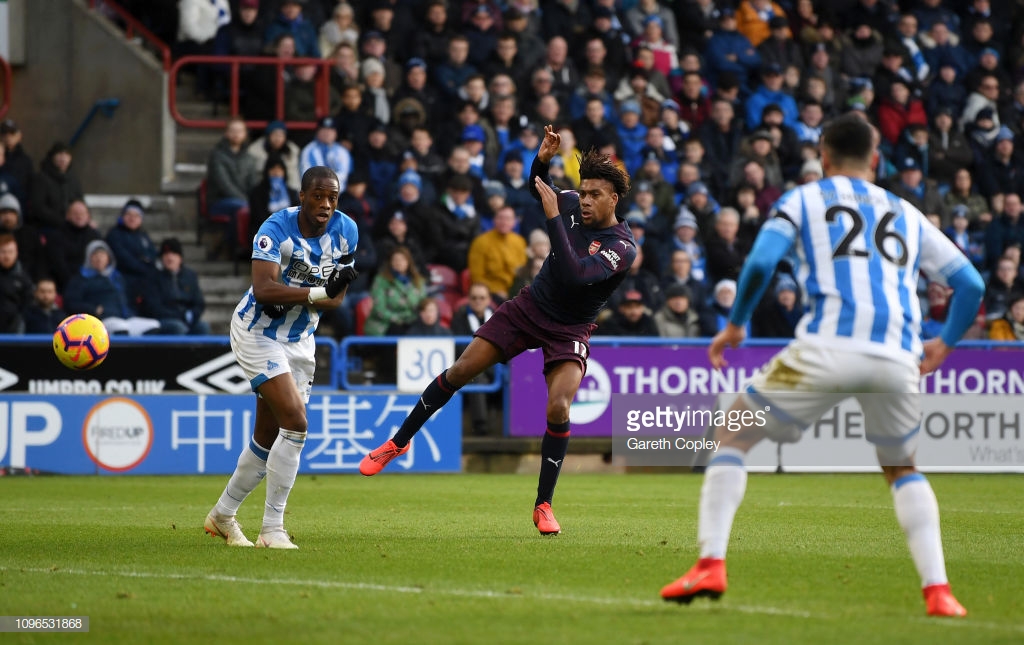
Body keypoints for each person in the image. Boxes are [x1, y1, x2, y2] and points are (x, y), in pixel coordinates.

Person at [660, 114, 984, 618]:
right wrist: (943, 344)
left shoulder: (805, 198)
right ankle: (939, 592)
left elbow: (763, 263)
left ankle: (711, 563)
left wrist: (737, 324)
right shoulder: (907, 212)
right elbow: (972, 285)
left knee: (731, 433)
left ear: (824, 156)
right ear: (875, 159)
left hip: (828, 345)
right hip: (898, 357)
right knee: (901, 468)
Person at [358, 126, 637, 536]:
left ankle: (543, 504)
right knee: (459, 372)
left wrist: (553, 217)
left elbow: (578, 274)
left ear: (614, 198)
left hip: (570, 327)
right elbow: (535, 185)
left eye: (595, 194)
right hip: (528, 308)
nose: (586, 199)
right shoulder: (573, 205)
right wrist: (542, 160)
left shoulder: (621, 246)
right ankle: (398, 442)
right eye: (583, 191)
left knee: (559, 408)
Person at [204, 166, 359, 549]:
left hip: (301, 340)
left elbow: (336, 296)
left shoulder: (347, 231)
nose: (325, 204)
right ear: (302, 196)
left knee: (268, 435)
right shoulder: (275, 229)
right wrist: (316, 295)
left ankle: (222, 516)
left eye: (332, 198)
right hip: (258, 333)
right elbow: (263, 289)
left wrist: (325, 294)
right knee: (296, 422)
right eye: (318, 196)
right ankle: (272, 529)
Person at [63, 240, 165, 336]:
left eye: (102, 255)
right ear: (88, 258)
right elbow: (71, 302)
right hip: (102, 321)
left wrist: (132, 311)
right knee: (121, 328)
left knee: (154, 325)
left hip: (126, 317)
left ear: (108, 258)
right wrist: (93, 309)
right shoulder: (81, 279)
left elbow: (129, 299)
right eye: (95, 255)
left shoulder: (117, 277)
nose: (99, 258)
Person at [140, 238, 212, 335]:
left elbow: (199, 303)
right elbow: (154, 307)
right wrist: (180, 316)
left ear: (180, 257)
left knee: (203, 327)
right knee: (178, 327)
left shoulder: (190, 276)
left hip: (187, 319)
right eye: (166, 254)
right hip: (164, 320)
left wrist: (191, 315)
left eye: (173, 254)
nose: (169, 258)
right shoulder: (153, 277)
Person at [364, 245, 428, 336]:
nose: (398, 263)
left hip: (413, 323)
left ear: (408, 262)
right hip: (386, 325)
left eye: (402, 259)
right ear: (390, 262)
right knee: (398, 331)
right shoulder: (381, 280)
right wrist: (400, 319)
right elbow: (379, 309)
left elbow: (424, 305)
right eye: (395, 260)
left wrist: (412, 318)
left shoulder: (418, 281)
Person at [0, 233, 33, 334]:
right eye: (3, 252)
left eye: (10, 252)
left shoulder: (23, 278)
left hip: (14, 327)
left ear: (16, 252)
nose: (7, 256)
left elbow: (27, 304)